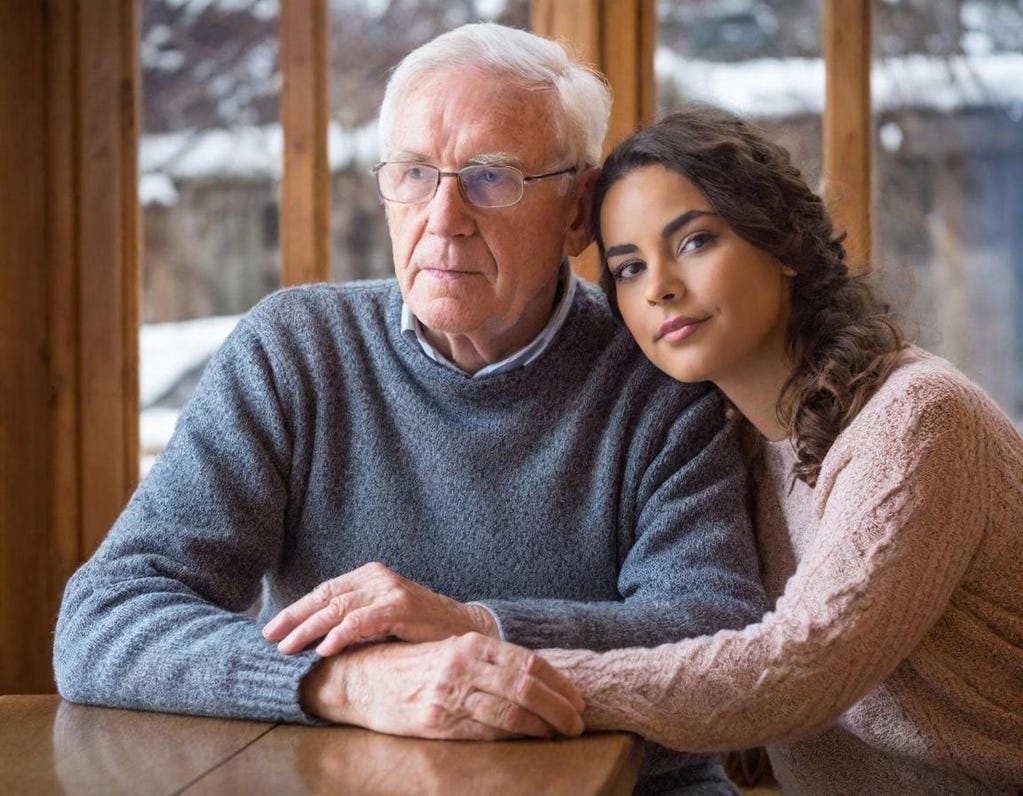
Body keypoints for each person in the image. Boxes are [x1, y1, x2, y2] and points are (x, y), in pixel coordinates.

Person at [54, 26, 766, 794]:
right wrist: (350, 684)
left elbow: (715, 630)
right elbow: (106, 619)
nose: (444, 216)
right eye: (415, 173)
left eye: (490, 177)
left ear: (576, 212)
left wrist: (476, 628)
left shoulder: (660, 372)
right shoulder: (294, 351)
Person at [535, 106, 1023, 794]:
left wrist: (519, 682)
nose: (660, 287)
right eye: (628, 268)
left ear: (786, 244)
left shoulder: (916, 419)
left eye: (695, 241)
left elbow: (799, 667)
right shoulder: (725, 438)